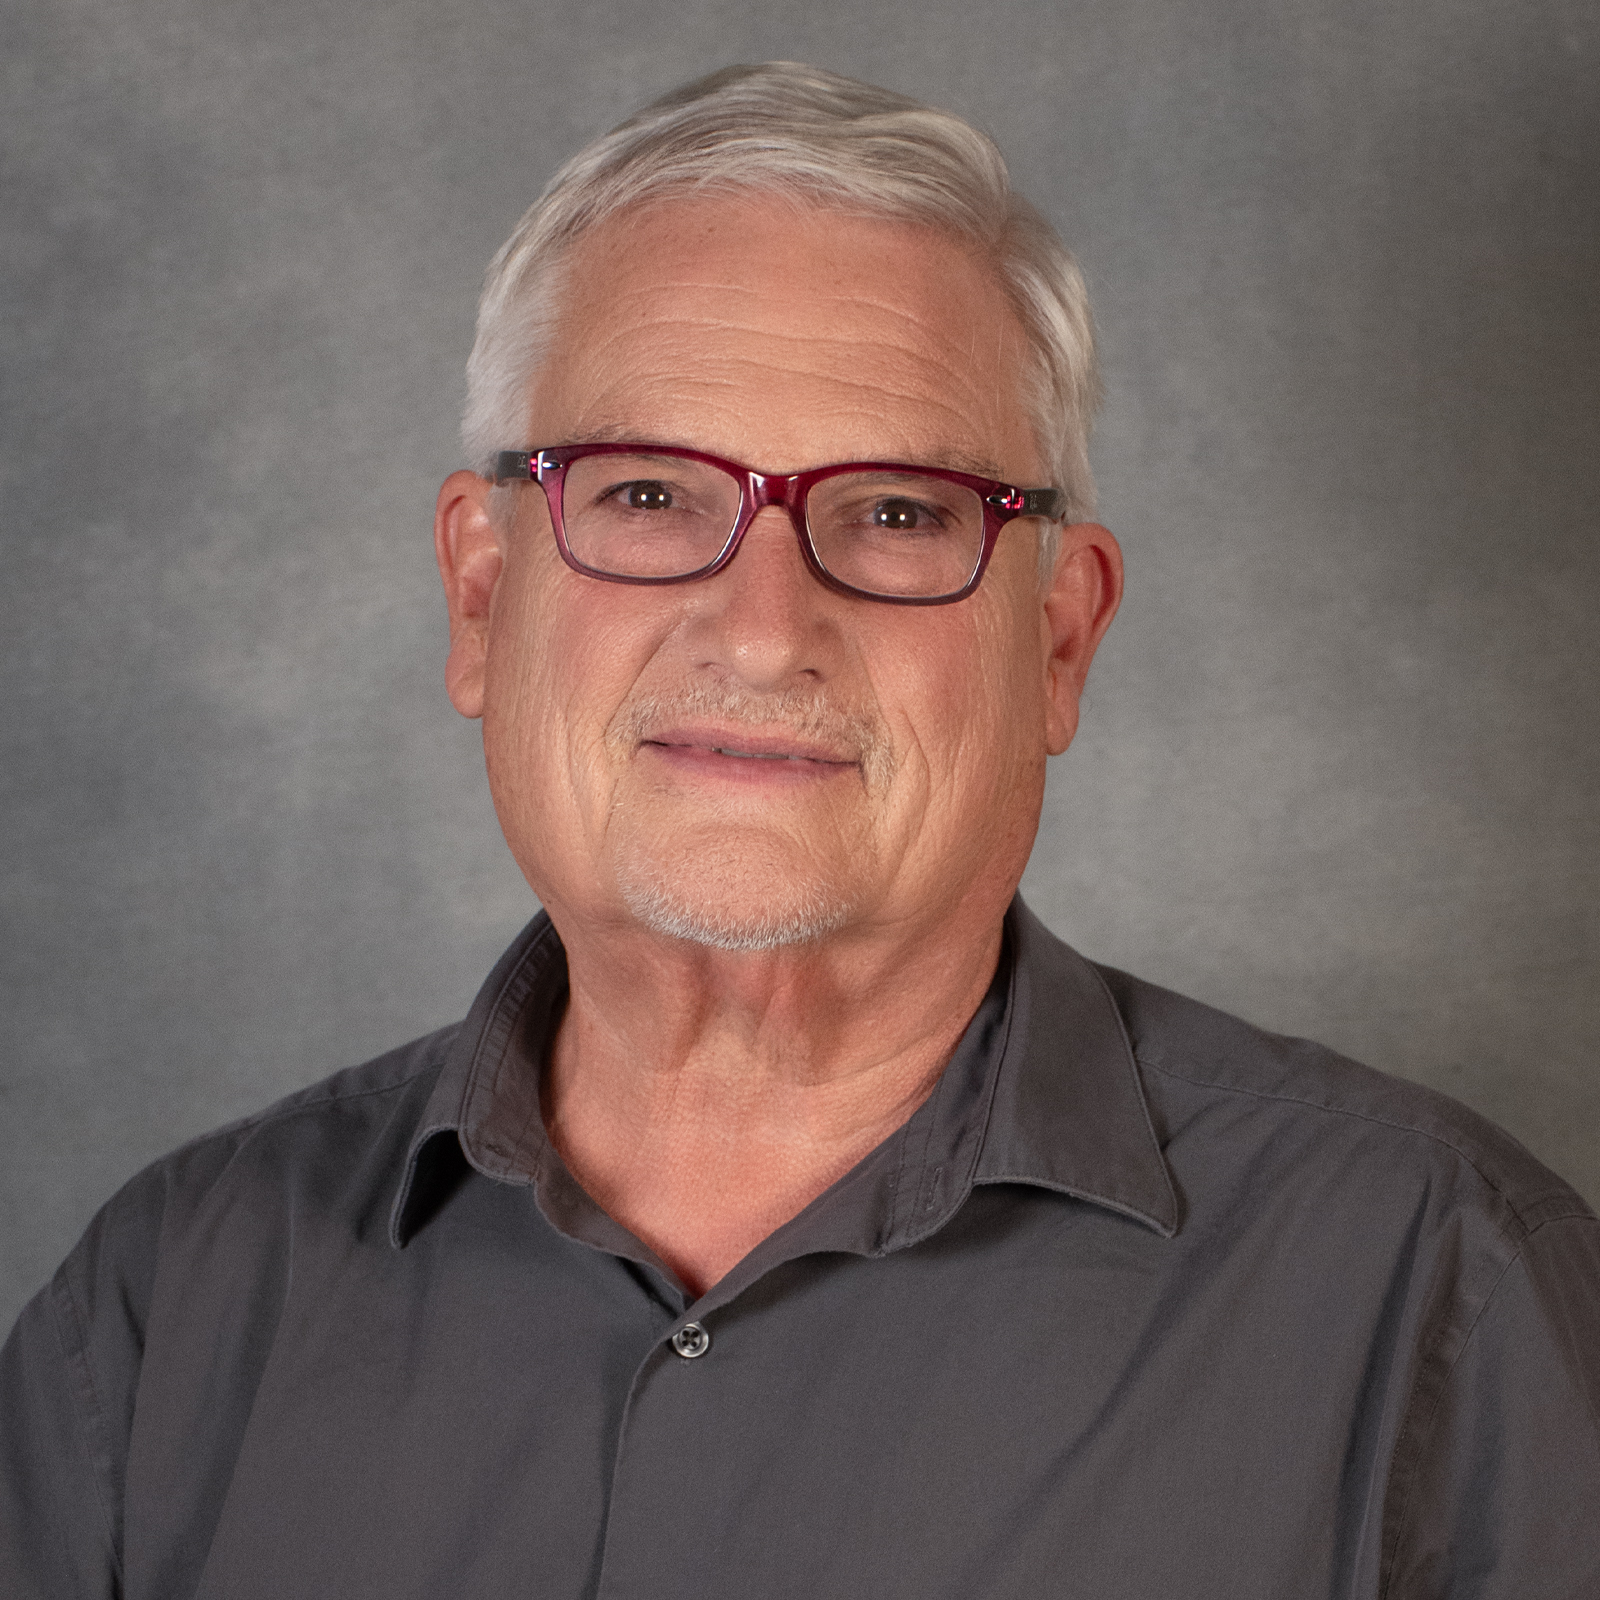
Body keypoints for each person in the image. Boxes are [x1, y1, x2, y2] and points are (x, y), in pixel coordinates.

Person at [3, 60, 1597, 1600]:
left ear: (1059, 641)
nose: (764, 631)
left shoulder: (1446, 1298)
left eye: (900, 512)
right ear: (484, 597)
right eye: (645, 497)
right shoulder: (158, 1324)